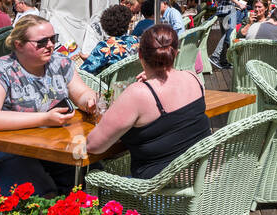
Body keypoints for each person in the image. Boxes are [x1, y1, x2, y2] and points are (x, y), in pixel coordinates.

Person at [0, 13, 101, 194]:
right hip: (1, 150)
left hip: (47, 146)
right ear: (18, 45)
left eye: (53, 39)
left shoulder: (59, 63)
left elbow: (81, 93)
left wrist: (89, 100)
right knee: (40, 192)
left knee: (89, 173)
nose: (50, 45)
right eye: (41, 42)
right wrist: (44, 119)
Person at [85, 24, 211, 180]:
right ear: (175, 53)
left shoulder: (138, 94)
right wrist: (153, 78)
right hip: (201, 181)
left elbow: (93, 145)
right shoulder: (194, 79)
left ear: (139, 54)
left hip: (157, 193)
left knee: (90, 181)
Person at [80, 4, 140, 75]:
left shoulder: (105, 46)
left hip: (109, 84)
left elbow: (85, 70)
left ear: (105, 25)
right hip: (132, 79)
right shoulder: (135, 40)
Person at [213, 0, 245, 70]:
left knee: (225, 34)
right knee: (228, 34)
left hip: (222, 11)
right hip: (228, 11)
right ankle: (215, 56)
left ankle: (222, 60)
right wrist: (239, 4)